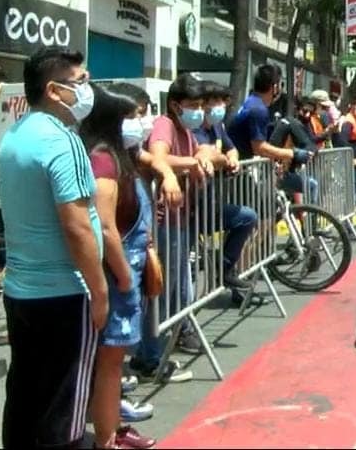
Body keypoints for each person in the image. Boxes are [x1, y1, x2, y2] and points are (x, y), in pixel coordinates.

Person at [0, 47, 105, 448]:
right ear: (55, 91)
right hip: (65, 293)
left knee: (26, 399)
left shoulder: (16, 135)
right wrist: (100, 290)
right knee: (64, 415)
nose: (87, 89)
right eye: (81, 81)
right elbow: (77, 227)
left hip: (22, 293)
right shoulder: (63, 141)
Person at [79, 86, 156, 449]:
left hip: (125, 269)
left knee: (112, 363)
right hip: (115, 274)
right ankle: (106, 438)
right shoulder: (104, 160)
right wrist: (125, 277)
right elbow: (106, 227)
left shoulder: (120, 157)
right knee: (108, 362)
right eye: (131, 116)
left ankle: (111, 430)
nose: (140, 123)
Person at [129, 73, 214, 381]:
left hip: (179, 221)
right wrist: (190, 164)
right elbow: (160, 157)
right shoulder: (165, 125)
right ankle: (150, 358)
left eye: (202, 105)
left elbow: (204, 151)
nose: (200, 111)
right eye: (194, 105)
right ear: (176, 105)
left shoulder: (186, 131)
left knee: (177, 291)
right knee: (161, 292)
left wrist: (201, 155)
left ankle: (155, 352)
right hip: (164, 222)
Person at [192, 80, 259, 295]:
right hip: (190, 208)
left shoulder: (218, 127)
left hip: (212, 204)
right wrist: (222, 158)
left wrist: (232, 158)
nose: (220, 105)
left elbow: (231, 149)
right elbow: (206, 153)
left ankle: (225, 268)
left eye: (223, 101)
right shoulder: (193, 130)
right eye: (215, 101)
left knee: (247, 217)